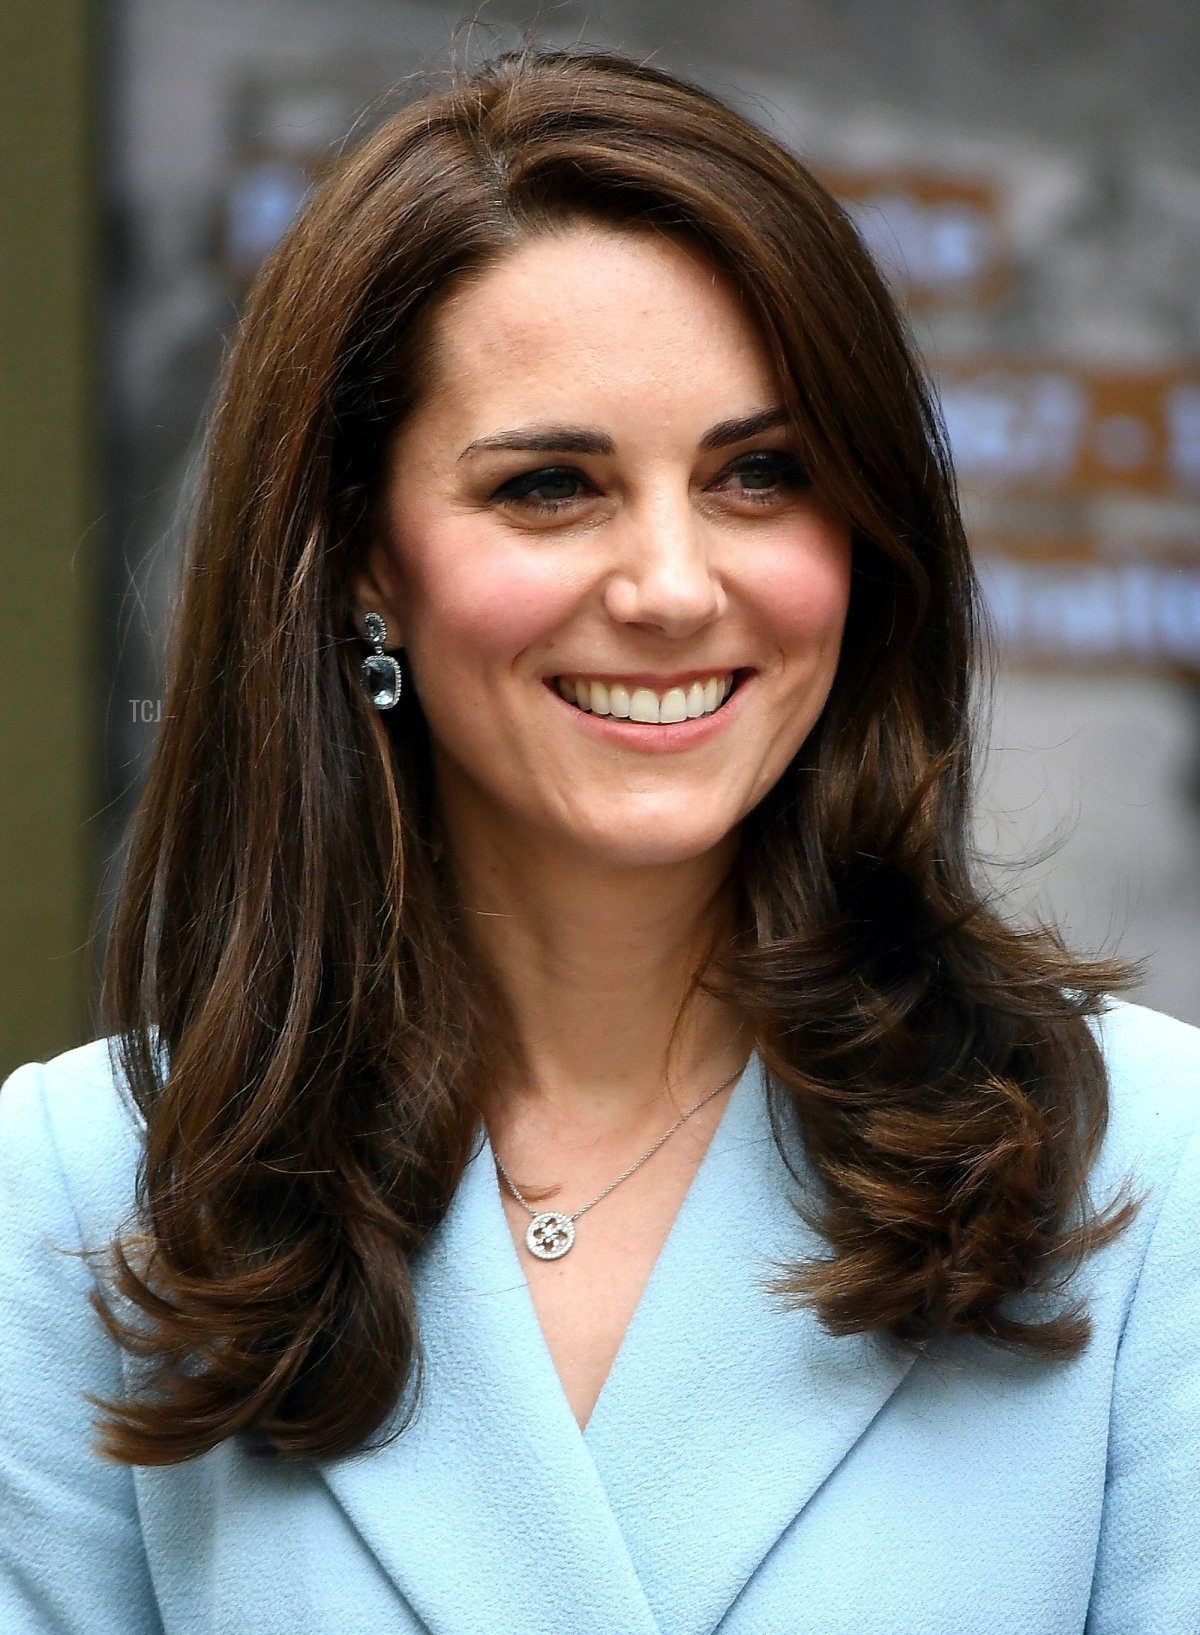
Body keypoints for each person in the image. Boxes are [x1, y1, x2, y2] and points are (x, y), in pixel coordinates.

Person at [1, 45, 1198, 1635]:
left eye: (759, 475)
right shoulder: (86, 1193)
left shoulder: (1149, 1169)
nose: (673, 585)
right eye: (551, 486)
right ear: (364, 561)